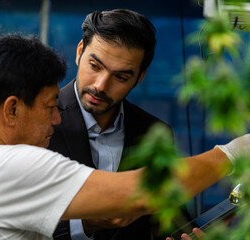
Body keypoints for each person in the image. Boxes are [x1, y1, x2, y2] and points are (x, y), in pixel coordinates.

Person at [0, 33, 250, 240]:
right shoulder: (8, 166)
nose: (56, 119)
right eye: (49, 107)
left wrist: (93, 222)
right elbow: (139, 193)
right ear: (12, 109)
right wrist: (232, 153)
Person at [47, 9, 177, 240]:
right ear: (79, 52)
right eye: (95, 66)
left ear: (140, 77)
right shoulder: (40, 122)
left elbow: (166, 219)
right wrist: (84, 224)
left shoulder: (154, 133)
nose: (100, 85)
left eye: (120, 77)